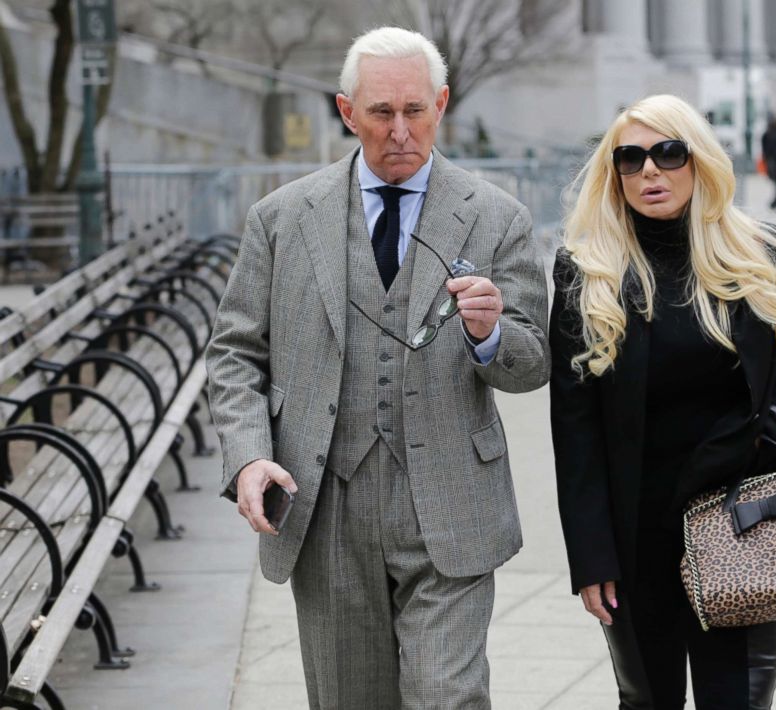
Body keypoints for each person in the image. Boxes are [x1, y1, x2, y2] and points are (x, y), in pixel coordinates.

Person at [206, 27, 551, 709]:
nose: (399, 131)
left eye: (415, 111)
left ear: (442, 104)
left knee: (447, 697)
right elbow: (235, 351)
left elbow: (533, 360)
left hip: (452, 506)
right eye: (381, 113)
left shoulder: (497, 218)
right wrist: (248, 457)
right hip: (325, 505)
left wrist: (488, 335)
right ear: (346, 111)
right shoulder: (281, 219)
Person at [549, 94, 776, 709]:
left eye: (669, 153)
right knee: (647, 701)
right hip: (634, 532)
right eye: (631, 158)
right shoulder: (584, 271)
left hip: (740, 518)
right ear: (614, 172)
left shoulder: (759, 252)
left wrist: (760, 446)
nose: (650, 171)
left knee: (738, 699)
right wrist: (591, 557)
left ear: (699, 161)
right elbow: (575, 427)